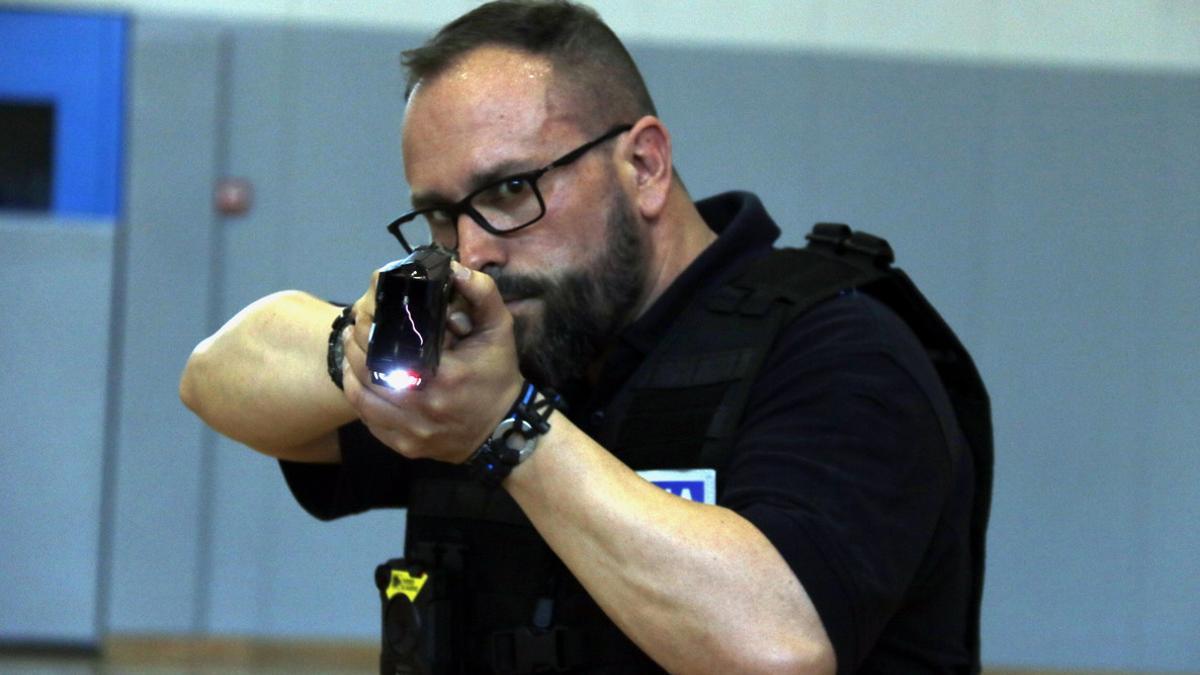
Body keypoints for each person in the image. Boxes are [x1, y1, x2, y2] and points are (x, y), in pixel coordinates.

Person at [180, 1, 988, 672]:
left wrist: (507, 432)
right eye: (439, 212)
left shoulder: (841, 354)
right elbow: (215, 376)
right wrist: (357, 353)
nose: (473, 249)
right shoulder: (512, 341)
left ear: (643, 165)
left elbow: (777, 645)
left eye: (511, 188)